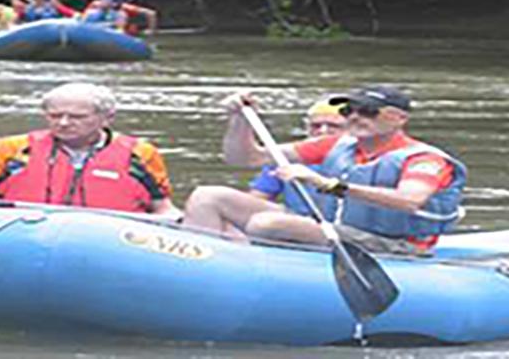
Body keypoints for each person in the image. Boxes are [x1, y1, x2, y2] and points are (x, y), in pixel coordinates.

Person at [184, 85, 467, 255]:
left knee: (267, 224)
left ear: (399, 118)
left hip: (396, 245)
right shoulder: (337, 145)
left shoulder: (424, 159)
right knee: (208, 196)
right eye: (349, 111)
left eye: (369, 111)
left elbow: (409, 200)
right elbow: (245, 158)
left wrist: (329, 184)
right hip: (335, 229)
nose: (356, 117)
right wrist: (239, 120)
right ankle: (199, 263)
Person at [0, 83, 176, 215]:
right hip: (23, 237)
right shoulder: (11, 149)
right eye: (55, 116)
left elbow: (162, 207)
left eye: (77, 117)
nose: (63, 123)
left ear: (106, 118)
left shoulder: (140, 153)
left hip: (110, 244)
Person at [244, 95, 348, 213]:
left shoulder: (359, 158)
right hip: (297, 223)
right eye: (316, 126)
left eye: (334, 126)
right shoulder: (287, 157)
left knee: (265, 223)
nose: (323, 131)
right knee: (221, 197)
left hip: (345, 226)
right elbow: (257, 198)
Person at [80, 0, 158, 37]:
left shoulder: (122, 9)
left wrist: (151, 31)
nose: (105, 1)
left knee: (121, 15)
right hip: (94, 29)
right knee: (92, 13)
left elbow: (151, 13)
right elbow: (84, 20)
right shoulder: (94, 6)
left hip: (116, 32)